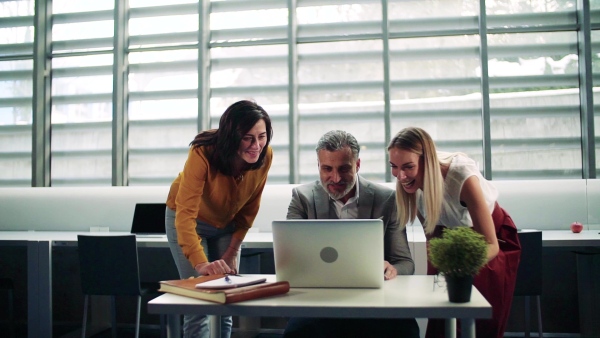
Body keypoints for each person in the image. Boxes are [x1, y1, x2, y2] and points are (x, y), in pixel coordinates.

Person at [283, 130, 420, 338]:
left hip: (373, 299)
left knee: (406, 330)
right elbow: (291, 257)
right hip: (320, 300)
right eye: (327, 169)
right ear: (318, 166)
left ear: (357, 165)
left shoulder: (387, 200)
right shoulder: (302, 198)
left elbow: (405, 262)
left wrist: (392, 269)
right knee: (297, 332)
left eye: (344, 168)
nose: (335, 178)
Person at [387, 126, 521, 338]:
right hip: (450, 239)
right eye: (394, 167)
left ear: (427, 162)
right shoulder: (411, 185)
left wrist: (457, 270)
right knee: (441, 315)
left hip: (487, 239)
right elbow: (432, 236)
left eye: (408, 167)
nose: (400, 175)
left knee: (473, 318)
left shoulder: (461, 177)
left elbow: (491, 244)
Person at [165, 100, 273, 338]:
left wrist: (233, 250)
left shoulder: (264, 156)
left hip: (227, 225)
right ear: (232, 136)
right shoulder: (202, 152)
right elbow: (185, 215)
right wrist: (201, 264)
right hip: (191, 223)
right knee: (200, 301)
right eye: (248, 138)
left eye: (262, 136)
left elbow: (250, 209)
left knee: (226, 298)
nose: (256, 146)